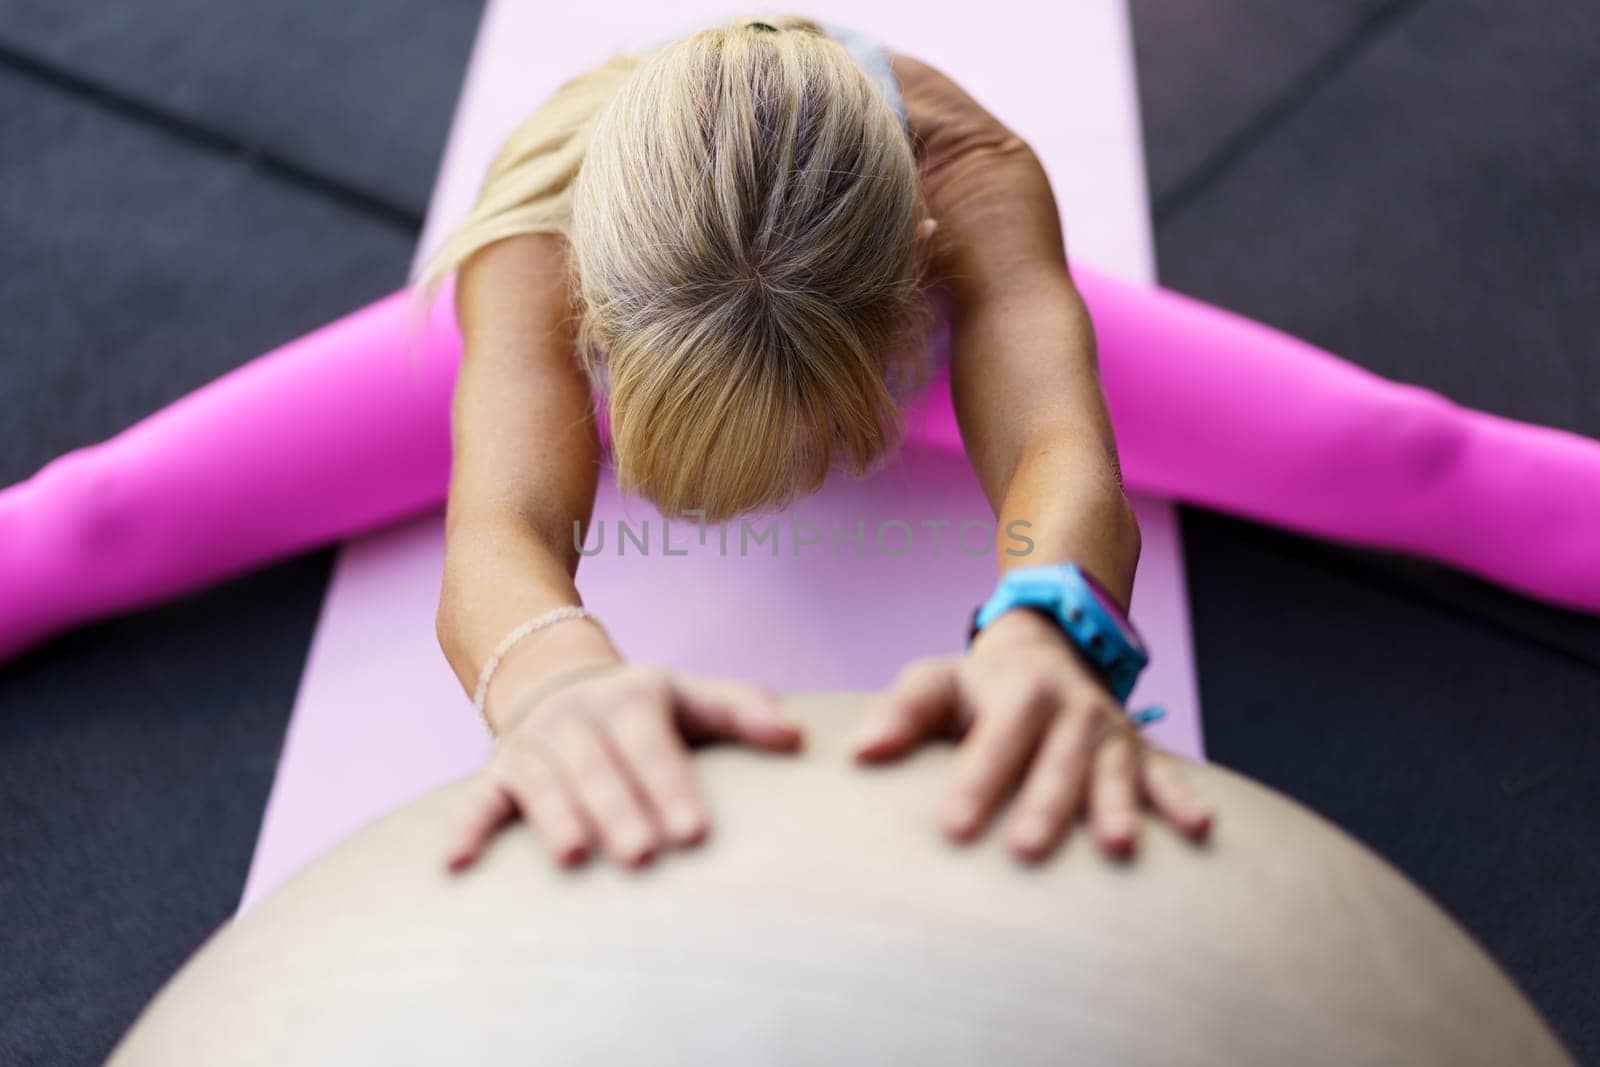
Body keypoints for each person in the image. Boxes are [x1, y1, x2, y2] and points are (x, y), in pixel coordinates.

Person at [4, 17, 1598, 871]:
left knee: (1410, 450)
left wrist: (1048, 632)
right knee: (106, 510)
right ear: (600, 340)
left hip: (876, 319)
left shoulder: (968, 184)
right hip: (659, 303)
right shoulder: (536, 261)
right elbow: (501, 532)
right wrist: (552, 684)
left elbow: (1058, 449)